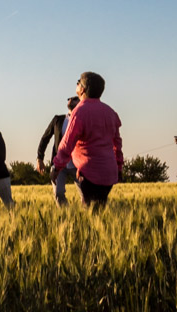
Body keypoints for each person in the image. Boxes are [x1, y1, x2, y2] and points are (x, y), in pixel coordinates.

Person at [53, 72, 124, 211]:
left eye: (78, 82)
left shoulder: (79, 111)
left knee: (90, 212)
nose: (77, 84)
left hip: (89, 172)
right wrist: (119, 166)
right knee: (100, 210)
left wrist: (57, 166)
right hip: (109, 173)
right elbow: (117, 144)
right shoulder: (110, 112)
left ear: (83, 89)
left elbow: (67, 144)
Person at [36, 96, 81, 206]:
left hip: (78, 164)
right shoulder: (58, 120)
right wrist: (39, 158)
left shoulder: (83, 120)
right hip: (58, 164)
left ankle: (86, 217)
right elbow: (45, 138)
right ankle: (66, 217)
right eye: (69, 98)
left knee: (86, 195)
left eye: (75, 98)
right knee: (58, 194)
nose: (71, 99)